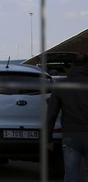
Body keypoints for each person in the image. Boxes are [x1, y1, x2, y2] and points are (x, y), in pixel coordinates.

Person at [47, 53, 88, 182]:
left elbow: (51, 114)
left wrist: (48, 139)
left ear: (72, 65)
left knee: (70, 175)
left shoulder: (60, 85)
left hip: (70, 136)